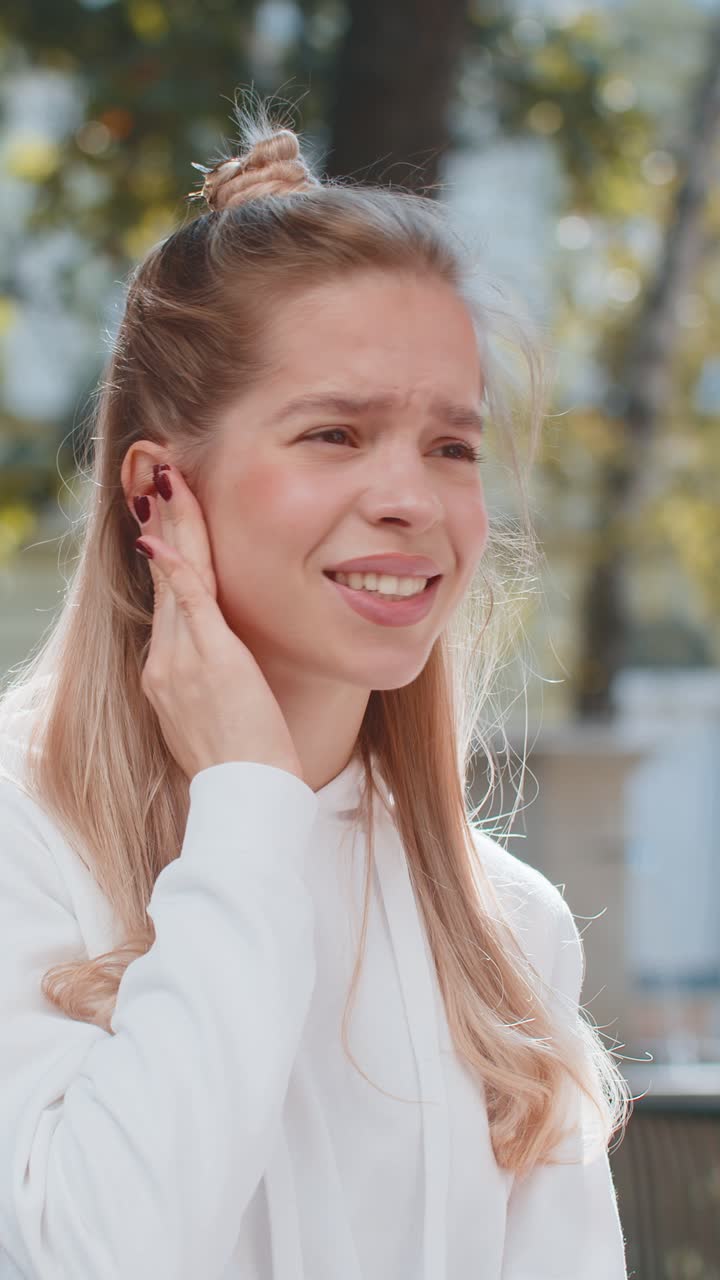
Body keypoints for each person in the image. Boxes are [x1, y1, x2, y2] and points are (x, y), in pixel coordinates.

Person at [0, 94, 632, 1279]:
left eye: (452, 444)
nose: (413, 497)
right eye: (336, 433)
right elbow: (99, 1254)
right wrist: (246, 803)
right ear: (158, 495)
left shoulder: (510, 930)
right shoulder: (18, 842)